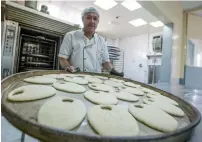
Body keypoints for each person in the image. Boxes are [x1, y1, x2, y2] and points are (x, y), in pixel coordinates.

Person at [58, 7, 123, 77]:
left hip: (95, 80)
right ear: (83, 19)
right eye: (88, 18)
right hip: (75, 77)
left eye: (95, 19)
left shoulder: (101, 41)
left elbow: (106, 62)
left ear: (98, 22)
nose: (92, 21)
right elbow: (62, 58)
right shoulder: (71, 36)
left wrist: (112, 70)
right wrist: (68, 67)